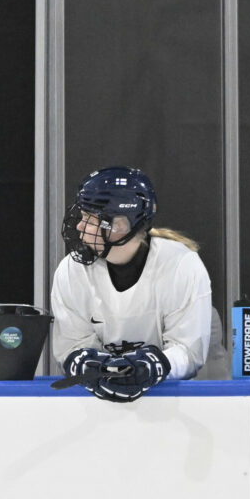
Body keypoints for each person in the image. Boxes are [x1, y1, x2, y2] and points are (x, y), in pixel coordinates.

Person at [49, 165, 213, 401]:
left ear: (120, 225)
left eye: (89, 219)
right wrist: (87, 364)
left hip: (177, 401)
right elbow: (72, 346)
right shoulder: (71, 270)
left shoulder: (180, 265)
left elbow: (188, 352)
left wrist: (156, 366)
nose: (79, 226)